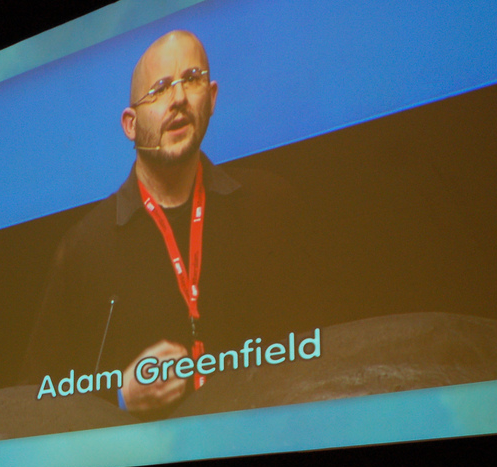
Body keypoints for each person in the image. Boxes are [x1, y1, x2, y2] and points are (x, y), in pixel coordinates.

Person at [24, 30, 309, 419]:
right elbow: (36, 398)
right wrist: (119, 397)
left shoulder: (271, 204)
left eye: (191, 79)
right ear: (130, 124)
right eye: (159, 89)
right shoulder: (83, 247)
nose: (178, 98)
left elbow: (322, 343)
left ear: (212, 97)